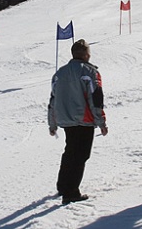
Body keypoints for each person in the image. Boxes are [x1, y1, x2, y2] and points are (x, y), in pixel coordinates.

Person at [48, 39, 108, 205]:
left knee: (70, 151)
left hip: (65, 119)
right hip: (84, 119)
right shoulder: (90, 73)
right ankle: (71, 192)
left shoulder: (59, 74)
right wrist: (101, 122)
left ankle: (62, 185)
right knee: (81, 154)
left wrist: (52, 123)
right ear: (87, 54)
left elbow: (53, 99)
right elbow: (96, 99)